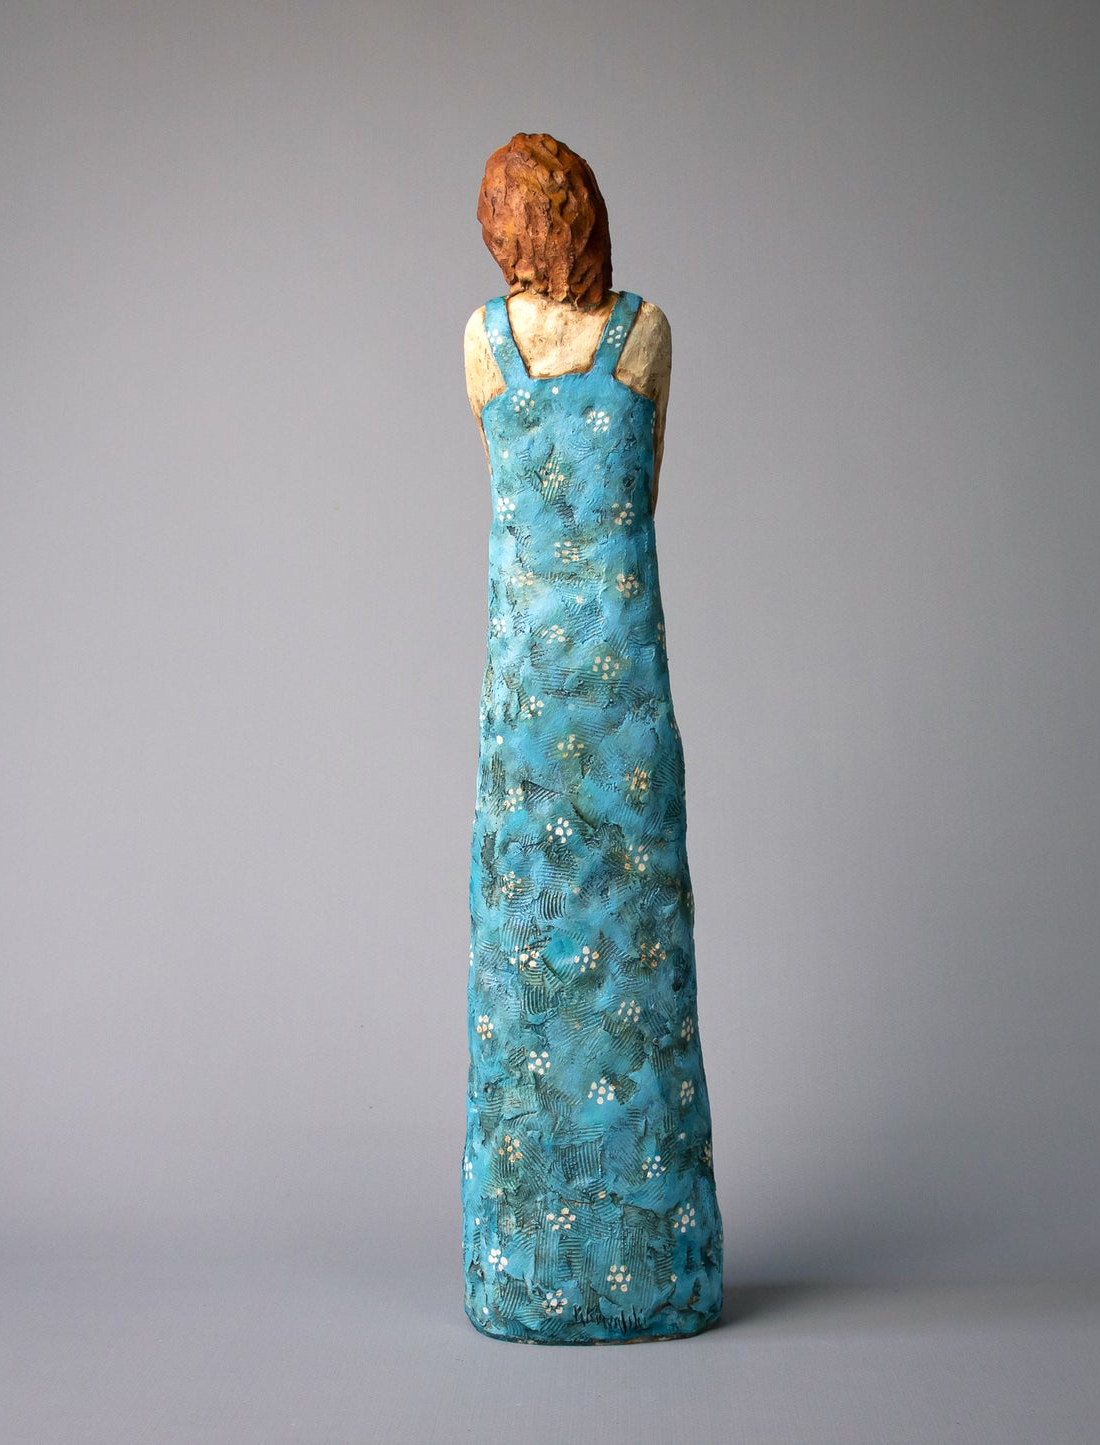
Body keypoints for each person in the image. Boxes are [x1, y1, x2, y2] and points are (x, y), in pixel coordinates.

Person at [462, 133, 722, 1343]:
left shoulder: (622, 336)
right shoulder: (610, 340)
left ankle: (580, 1272)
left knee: (597, 966)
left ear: (508, 224)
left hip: (553, 704)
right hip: (594, 702)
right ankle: (597, 1270)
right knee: (594, 968)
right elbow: (631, 495)